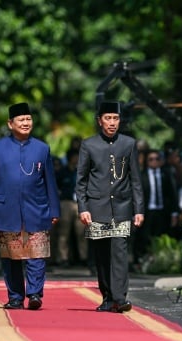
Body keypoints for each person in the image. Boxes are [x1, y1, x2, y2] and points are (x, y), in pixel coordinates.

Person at [0, 102, 60, 310]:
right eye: (21, 120)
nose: (26, 123)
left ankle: (34, 294)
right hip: (6, 209)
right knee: (11, 257)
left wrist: (54, 209)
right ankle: (15, 297)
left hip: (37, 208)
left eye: (28, 119)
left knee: (37, 254)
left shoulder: (42, 148)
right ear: (10, 123)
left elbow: (50, 181)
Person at [76, 101, 144, 313]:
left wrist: (139, 209)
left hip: (122, 207)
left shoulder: (129, 143)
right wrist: (83, 207)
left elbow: (136, 180)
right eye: (108, 118)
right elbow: (81, 180)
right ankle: (107, 298)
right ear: (99, 121)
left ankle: (120, 298)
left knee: (120, 254)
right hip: (97, 208)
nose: (112, 123)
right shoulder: (89, 145)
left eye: (115, 118)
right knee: (102, 255)